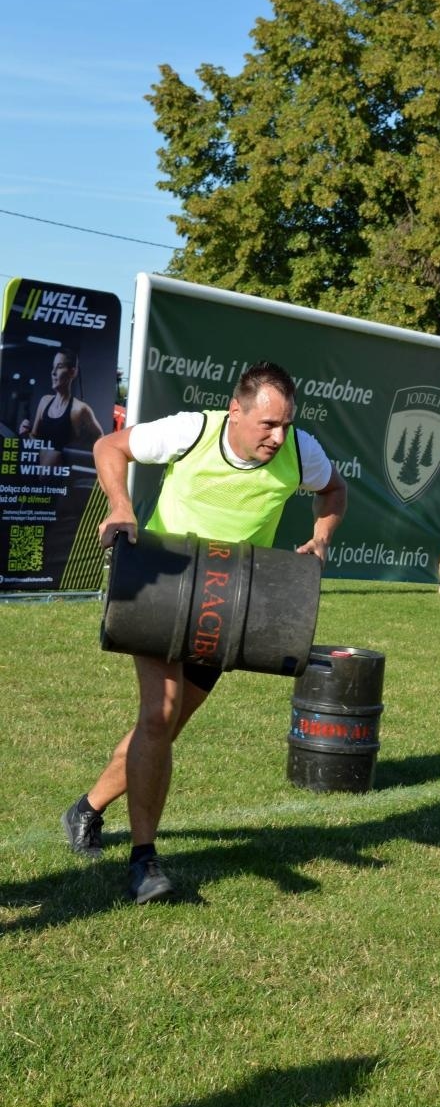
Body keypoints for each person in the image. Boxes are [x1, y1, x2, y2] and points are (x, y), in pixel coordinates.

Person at [61, 361, 347, 904]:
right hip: (162, 591)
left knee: (162, 730)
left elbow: (334, 491)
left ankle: (87, 810)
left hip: (226, 608)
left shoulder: (300, 451)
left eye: (285, 424)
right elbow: (110, 448)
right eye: (267, 425)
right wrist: (122, 506)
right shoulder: (192, 431)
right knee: (159, 714)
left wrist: (321, 535)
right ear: (235, 412)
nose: (277, 436)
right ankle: (145, 864)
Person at [19, 348, 103, 454]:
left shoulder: (80, 409)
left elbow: (100, 437)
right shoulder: (44, 401)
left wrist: (82, 456)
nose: (53, 372)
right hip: (41, 470)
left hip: (66, 470)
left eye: (59, 367)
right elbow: (34, 439)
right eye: (53, 367)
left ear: (72, 372)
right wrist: (25, 434)